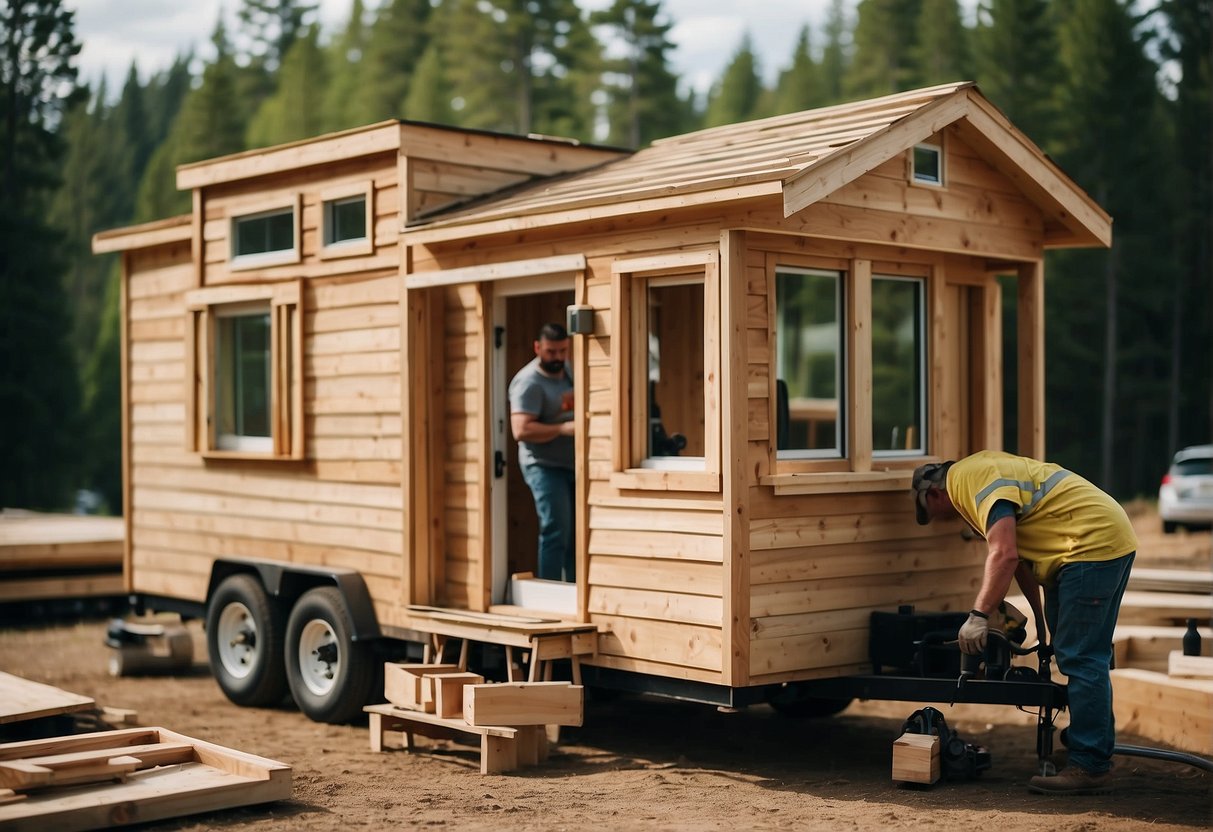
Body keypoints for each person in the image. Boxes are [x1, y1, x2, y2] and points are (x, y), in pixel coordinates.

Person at [912, 450, 1137, 795]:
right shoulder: (976, 474)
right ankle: (1089, 748)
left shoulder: (970, 483)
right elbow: (1021, 564)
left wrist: (978, 616)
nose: (944, 521)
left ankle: (1090, 764)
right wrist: (1042, 623)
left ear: (933, 494)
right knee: (1082, 654)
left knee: (1082, 657)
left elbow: (1003, 554)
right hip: (1093, 540)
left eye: (933, 514)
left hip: (1089, 545)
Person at [509, 322, 576, 582]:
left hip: (572, 464)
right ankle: (550, 592)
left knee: (577, 534)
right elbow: (521, 430)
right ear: (538, 348)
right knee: (556, 530)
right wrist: (561, 429)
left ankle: (574, 590)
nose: (557, 358)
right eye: (551, 352)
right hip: (543, 465)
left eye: (562, 351)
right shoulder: (529, 383)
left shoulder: (569, 372)